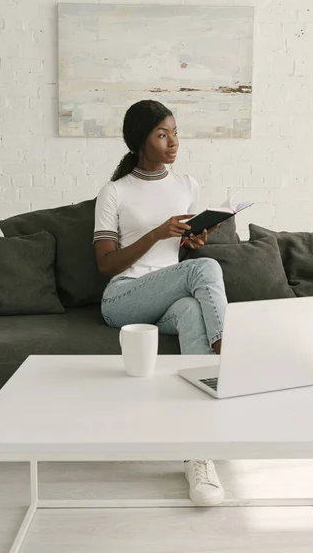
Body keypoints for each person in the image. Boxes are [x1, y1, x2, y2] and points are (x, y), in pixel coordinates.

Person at [93, 100, 228, 506]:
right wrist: (155, 234)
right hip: (124, 298)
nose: (173, 142)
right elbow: (104, 265)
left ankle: (198, 454)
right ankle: (232, 354)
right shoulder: (114, 191)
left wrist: (191, 240)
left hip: (167, 298)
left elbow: (178, 256)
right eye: (162, 134)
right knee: (203, 270)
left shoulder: (187, 184)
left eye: (174, 132)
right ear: (140, 140)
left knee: (191, 309)